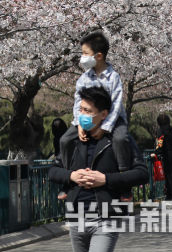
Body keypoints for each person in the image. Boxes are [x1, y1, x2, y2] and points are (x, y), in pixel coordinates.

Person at [49, 86, 148, 252]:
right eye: (80, 109)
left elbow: (142, 173)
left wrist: (106, 179)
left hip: (106, 218)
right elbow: (53, 171)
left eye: (87, 111)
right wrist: (71, 176)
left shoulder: (118, 141)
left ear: (103, 114)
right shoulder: (74, 141)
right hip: (76, 217)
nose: (82, 115)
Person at [58, 32, 129, 199]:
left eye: (85, 54)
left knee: (120, 139)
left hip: (111, 119)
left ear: (98, 56)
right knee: (65, 140)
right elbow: (78, 103)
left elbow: (117, 104)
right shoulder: (84, 78)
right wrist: (80, 124)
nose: (82, 58)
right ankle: (68, 179)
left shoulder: (113, 77)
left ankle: (124, 183)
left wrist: (105, 127)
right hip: (87, 118)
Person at [151, 113, 172, 200]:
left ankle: (170, 196)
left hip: (168, 156)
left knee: (169, 176)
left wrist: (156, 152)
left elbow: (160, 144)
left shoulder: (161, 131)